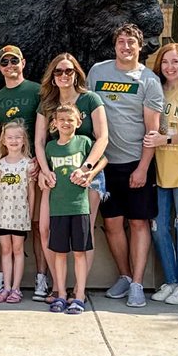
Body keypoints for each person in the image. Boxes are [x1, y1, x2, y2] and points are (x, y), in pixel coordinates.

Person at [87, 23, 164, 308]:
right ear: (115, 45)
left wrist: (143, 167)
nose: (126, 47)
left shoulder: (149, 80)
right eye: (121, 42)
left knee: (138, 223)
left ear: (140, 46)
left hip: (135, 161)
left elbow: (152, 130)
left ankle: (138, 284)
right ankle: (125, 275)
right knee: (112, 224)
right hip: (105, 163)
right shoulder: (98, 72)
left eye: (131, 42)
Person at [34, 53, 108, 283]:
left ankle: (79, 290)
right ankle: (59, 287)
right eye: (59, 71)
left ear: (77, 74)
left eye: (69, 71)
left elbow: (103, 137)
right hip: (55, 177)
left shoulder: (91, 100)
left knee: (84, 236)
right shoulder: (47, 104)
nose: (64, 75)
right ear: (52, 77)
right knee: (46, 230)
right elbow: (39, 141)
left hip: (87, 177)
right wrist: (44, 171)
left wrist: (87, 168)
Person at [0, 45, 48, 302]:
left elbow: (46, 129)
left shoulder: (37, 91)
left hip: (34, 166)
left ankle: (41, 277)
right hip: (8, 168)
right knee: (6, 232)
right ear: (0, 67)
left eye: (14, 61)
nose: (10, 65)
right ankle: (6, 280)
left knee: (37, 225)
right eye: (5, 62)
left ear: (23, 62)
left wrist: (40, 163)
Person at [143, 43, 178, 306]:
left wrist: (165, 139)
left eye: (175, 62)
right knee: (158, 228)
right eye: (165, 62)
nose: (170, 67)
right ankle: (172, 280)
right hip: (159, 170)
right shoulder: (155, 89)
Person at [42, 105, 103, 314]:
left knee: (79, 253)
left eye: (71, 120)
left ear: (78, 122)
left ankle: (79, 296)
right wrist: (44, 176)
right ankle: (60, 294)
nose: (66, 123)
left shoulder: (84, 142)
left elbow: (103, 159)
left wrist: (89, 173)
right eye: (62, 120)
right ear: (55, 123)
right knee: (59, 253)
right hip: (58, 207)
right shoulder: (50, 148)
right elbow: (45, 171)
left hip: (80, 207)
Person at [0, 120, 34, 303]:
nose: (14, 141)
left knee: (18, 250)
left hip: (20, 214)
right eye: (10, 137)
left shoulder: (28, 165)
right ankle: (6, 287)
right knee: (5, 250)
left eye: (18, 137)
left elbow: (31, 193)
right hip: (3, 215)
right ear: (3, 141)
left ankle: (16, 288)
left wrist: (29, 215)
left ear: (24, 140)